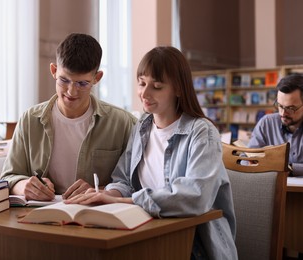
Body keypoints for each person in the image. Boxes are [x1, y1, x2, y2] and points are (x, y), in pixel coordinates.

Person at [65, 46, 238, 259]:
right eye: (141, 83)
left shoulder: (202, 132)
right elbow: (123, 179)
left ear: (178, 89)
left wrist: (123, 202)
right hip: (148, 234)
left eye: (156, 86)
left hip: (194, 245)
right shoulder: (142, 126)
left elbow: (195, 197)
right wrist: (106, 194)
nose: (144, 94)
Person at [1, 33, 137, 201]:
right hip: (40, 218)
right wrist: (23, 186)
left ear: (97, 78)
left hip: (98, 218)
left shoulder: (123, 123)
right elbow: (7, 178)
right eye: (64, 80)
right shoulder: (29, 120)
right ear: (53, 71)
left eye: (82, 83)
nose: (71, 92)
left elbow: (139, 183)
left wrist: (100, 191)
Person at [248, 73, 303, 177]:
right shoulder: (266, 123)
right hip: (270, 189)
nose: (283, 113)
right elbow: (246, 158)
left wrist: (291, 168)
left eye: (290, 108)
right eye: (280, 106)